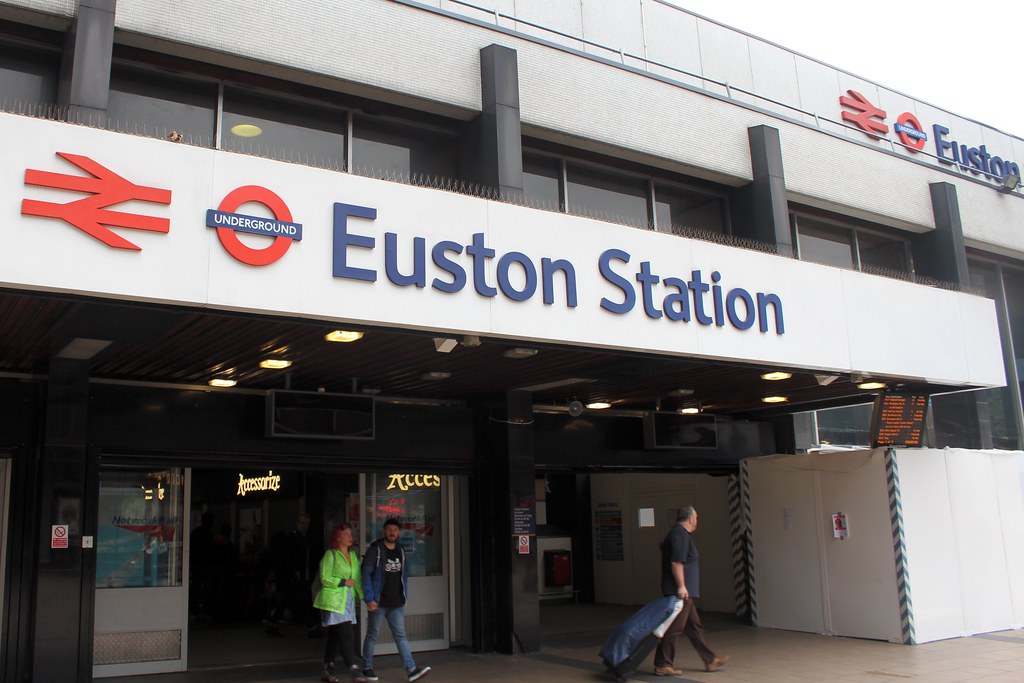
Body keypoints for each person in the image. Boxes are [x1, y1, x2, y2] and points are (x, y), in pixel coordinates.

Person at [653, 505, 729, 677]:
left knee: (694, 626)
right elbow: (676, 562)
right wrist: (681, 586)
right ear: (691, 519)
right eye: (696, 518)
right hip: (680, 591)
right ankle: (662, 664)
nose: (696, 521)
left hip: (685, 592)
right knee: (675, 627)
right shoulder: (680, 534)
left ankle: (710, 659)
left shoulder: (679, 534)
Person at [361, 518, 431, 682]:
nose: (392, 532)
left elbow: (404, 575)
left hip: (396, 603)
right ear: (384, 531)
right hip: (378, 602)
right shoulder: (375, 550)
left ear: (399, 533)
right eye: (389, 529)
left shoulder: (400, 551)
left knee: (401, 635)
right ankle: (367, 667)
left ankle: (411, 669)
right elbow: (366, 574)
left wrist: (403, 595)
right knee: (373, 634)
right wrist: (369, 598)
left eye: (395, 530)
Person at [314, 523, 368, 683]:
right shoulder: (331, 555)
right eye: (347, 534)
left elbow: (357, 580)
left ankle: (327, 670)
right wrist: (343, 582)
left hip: (348, 601)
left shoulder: (353, 556)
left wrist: (366, 598)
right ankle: (353, 668)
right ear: (338, 538)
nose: (351, 537)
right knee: (346, 633)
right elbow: (325, 577)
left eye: (351, 534)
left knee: (335, 636)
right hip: (333, 602)